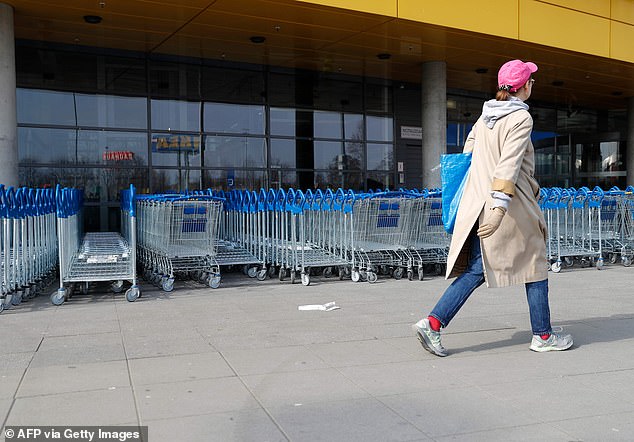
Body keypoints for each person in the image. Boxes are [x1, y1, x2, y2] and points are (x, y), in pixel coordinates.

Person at [413, 59, 573, 357]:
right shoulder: (520, 118)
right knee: (535, 266)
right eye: (531, 81)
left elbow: (468, 154)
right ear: (523, 87)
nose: (533, 85)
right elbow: (509, 163)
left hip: (479, 203)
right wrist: (499, 207)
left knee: (478, 269)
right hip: (511, 206)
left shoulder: (485, 117)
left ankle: (433, 322)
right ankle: (543, 335)